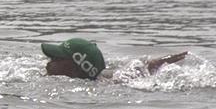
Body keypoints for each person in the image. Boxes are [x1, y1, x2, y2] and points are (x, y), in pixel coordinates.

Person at [40, 37, 188, 82]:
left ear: (73, 68)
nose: (49, 61)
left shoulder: (111, 83)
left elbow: (140, 71)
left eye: (56, 58)